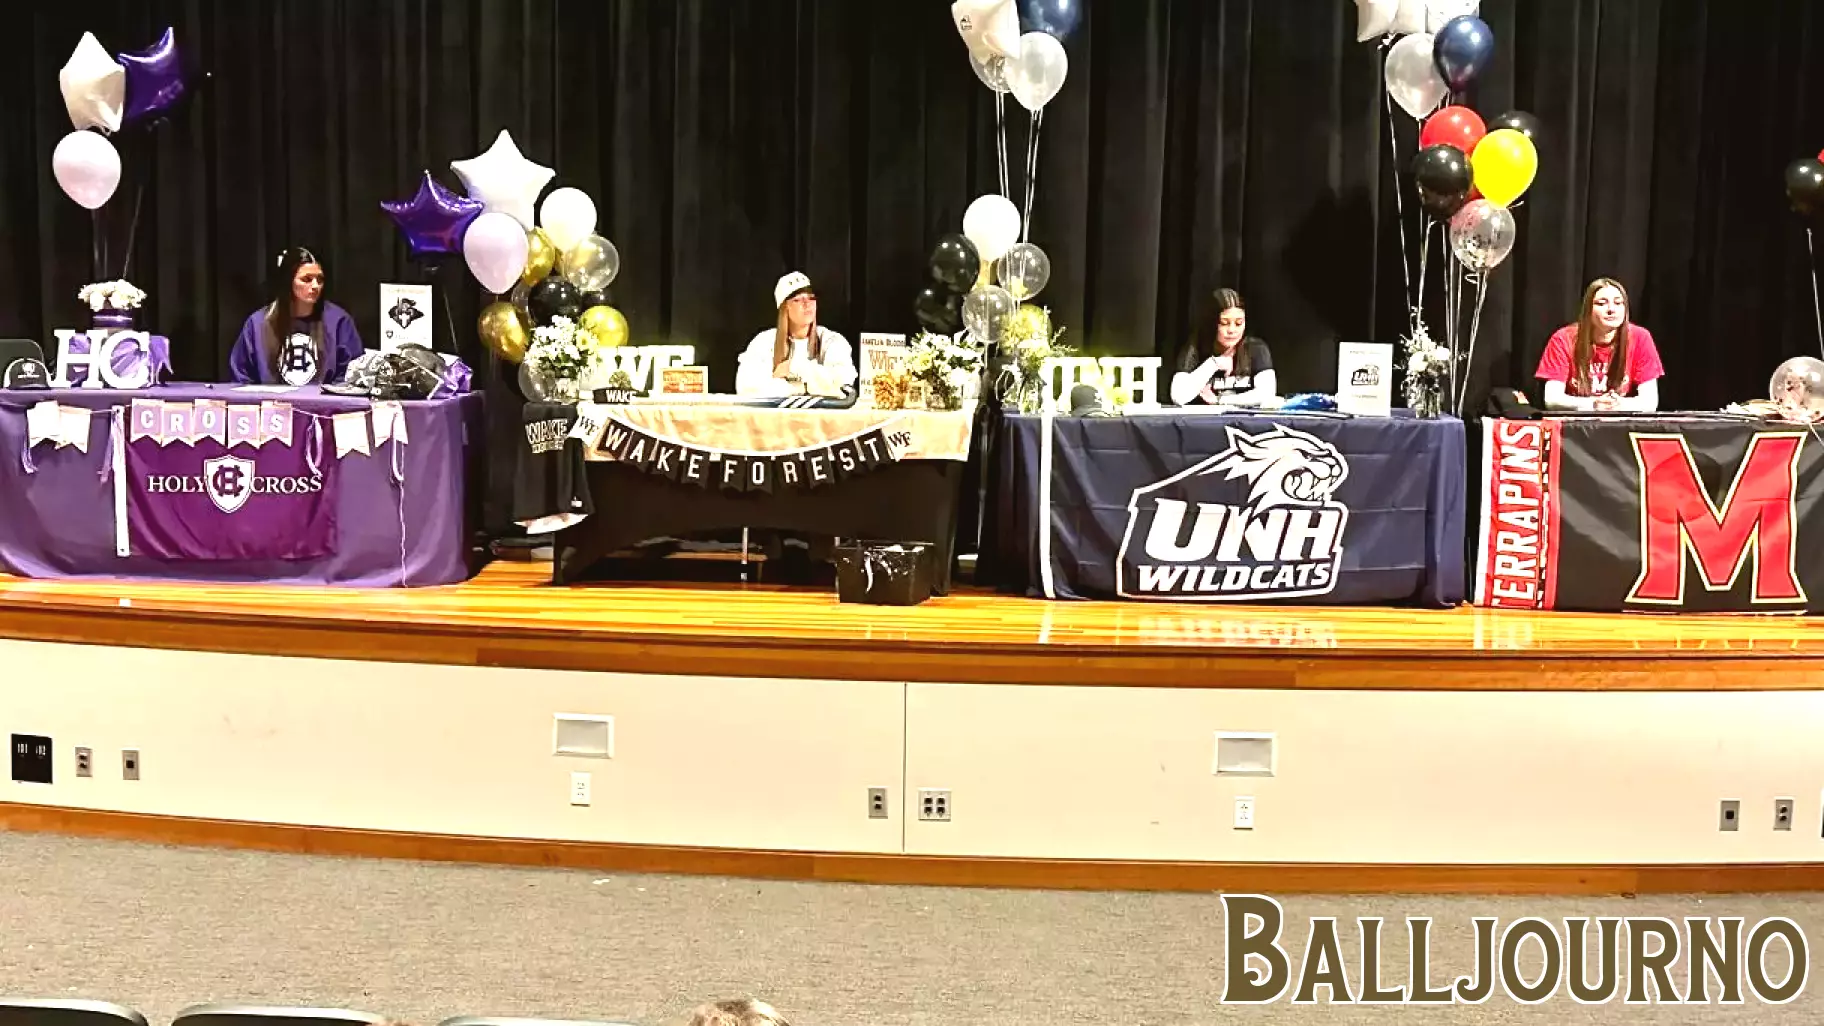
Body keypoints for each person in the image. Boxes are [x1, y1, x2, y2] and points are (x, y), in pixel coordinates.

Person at [229, 246, 365, 386]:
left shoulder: (339, 322)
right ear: (288, 282)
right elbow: (242, 379)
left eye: (320, 279)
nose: (315, 286)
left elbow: (352, 377)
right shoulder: (258, 324)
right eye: (306, 279)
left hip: (323, 406)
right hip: (272, 405)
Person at [1535, 277, 1664, 412]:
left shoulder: (1640, 337)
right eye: (1602, 303)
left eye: (1618, 303)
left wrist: (1619, 405)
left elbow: (1650, 402)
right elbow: (1552, 399)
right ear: (1588, 310)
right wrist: (1594, 404)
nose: (1611, 309)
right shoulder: (1563, 339)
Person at [736, 272, 856, 397]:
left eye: (811, 298)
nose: (807, 304)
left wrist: (794, 367)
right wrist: (799, 388)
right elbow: (747, 388)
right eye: (798, 300)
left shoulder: (832, 341)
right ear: (785, 308)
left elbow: (843, 386)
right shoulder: (763, 342)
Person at [1170, 288, 1278, 406]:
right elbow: (1178, 397)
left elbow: (1267, 394)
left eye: (1238, 323)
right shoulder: (1195, 347)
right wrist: (1213, 364)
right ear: (1212, 323)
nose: (1232, 330)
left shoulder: (1256, 348)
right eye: (1224, 323)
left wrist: (1220, 400)